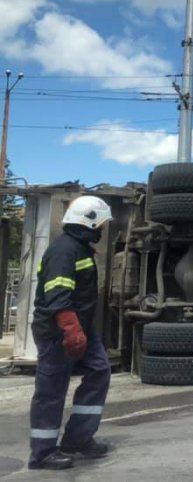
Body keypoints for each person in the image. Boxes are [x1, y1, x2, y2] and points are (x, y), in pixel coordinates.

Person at [28, 196, 113, 470]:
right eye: (99, 223)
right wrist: (71, 330)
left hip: (81, 330)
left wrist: (81, 330)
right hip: (59, 332)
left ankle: (77, 439)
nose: (101, 229)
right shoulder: (64, 252)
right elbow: (57, 295)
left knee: (99, 371)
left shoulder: (80, 249)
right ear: (86, 221)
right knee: (51, 390)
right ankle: (42, 453)